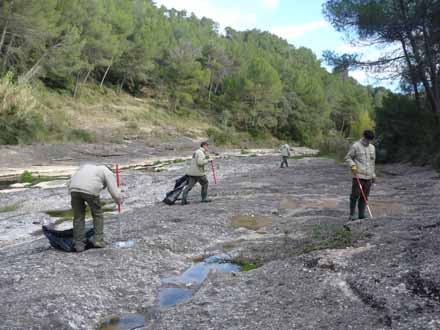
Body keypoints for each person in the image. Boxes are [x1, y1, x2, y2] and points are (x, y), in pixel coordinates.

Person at [68, 164, 122, 252]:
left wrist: (72, 192)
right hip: (90, 190)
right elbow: (113, 190)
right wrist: (119, 199)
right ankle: (98, 241)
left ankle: (79, 244)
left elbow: (71, 180)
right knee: (97, 214)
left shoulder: (86, 167)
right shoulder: (107, 171)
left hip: (73, 189)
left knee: (78, 216)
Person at [345, 130, 376, 220]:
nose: (368, 142)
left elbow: (372, 162)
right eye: (367, 139)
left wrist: (373, 175)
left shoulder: (372, 148)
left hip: (369, 177)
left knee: (365, 197)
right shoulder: (356, 146)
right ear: (363, 137)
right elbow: (348, 158)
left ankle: (361, 215)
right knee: (355, 195)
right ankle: (352, 215)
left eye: (370, 140)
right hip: (358, 176)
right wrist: (352, 165)